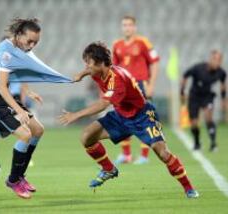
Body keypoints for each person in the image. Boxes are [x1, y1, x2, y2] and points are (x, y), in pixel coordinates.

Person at [61, 42, 199, 198]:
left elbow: (103, 104)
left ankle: (189, 188)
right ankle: (108, 169)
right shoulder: (98, 72)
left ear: (100, 63)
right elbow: (90, 71)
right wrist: (81, 74)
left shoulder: (117, 79)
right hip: (121, 115)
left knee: (163, 153)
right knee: (86, 137)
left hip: (142, 116)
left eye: (89, 62)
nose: (87, 65)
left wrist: (76, 115)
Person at [0, 18, 46, 199]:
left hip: (5, 98)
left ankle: (20, 176)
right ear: (18, 35)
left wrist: (29, 92)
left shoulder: (17, 50)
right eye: (29, 41)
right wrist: (21, 110)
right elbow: (0, 87)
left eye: (35, 42)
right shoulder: (6, 51)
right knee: (25, 135)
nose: (32, 45)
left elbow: (16, 77)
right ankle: (13, 180)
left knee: (38, 130)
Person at [112, 15, 160, 165]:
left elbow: (155, 62)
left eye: (130, 25)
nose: (127, 27)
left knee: (144, 119)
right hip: (123, 87)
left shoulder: (143, 42)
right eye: (124, 25)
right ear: (122, 27)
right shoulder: (117, 44)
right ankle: (126, 155)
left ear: (135, 27)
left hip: (140, 84)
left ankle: (144, 155)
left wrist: (151, 84)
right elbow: (113, 68)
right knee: (123, 118)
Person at [180, 50, 227, 151]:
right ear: (210, 59)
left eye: (219, 60)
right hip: (194, 97)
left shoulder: (221, 72)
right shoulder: (198, 68)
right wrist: (182, 92)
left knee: (208, 117)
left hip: (207, 97)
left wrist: (223, 99)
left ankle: (213, 143)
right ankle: (197, 143)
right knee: (194, 123)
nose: (217, 62)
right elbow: (185, 75)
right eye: (215, 59)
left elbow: (223, 85)